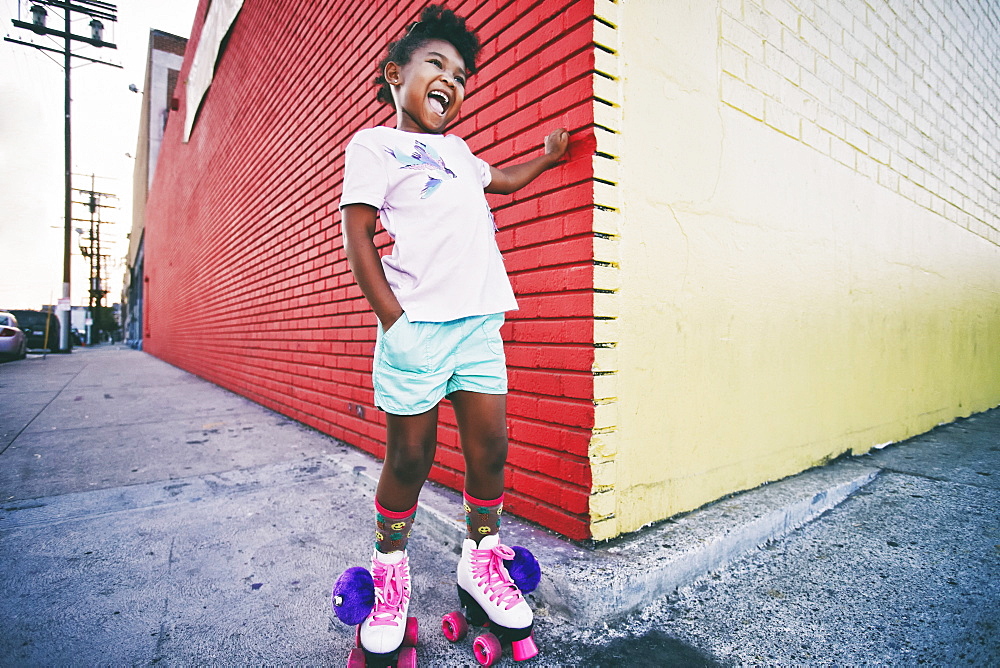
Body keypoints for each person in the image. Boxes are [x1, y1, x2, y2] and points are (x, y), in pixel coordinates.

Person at [338, 3, 569, 662]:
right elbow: (356, 234)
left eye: (462, 74)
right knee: (410, 459)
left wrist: (547, 159)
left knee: (490, 449)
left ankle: (480, 557)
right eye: (436, 64)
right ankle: (388, 572)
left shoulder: (464, 154)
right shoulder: (375, 144)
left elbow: (508, 180)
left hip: (478, 327)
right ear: (394, 74)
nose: (452, 80)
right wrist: (395, 323)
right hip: (416, 328)